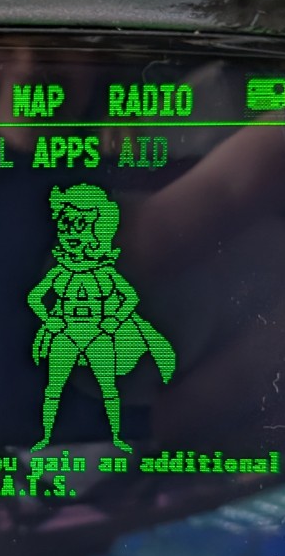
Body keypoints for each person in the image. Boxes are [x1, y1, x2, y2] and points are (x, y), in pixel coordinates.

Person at [29, 184, 175, 452]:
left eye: (81, 224)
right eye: (68, 224)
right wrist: (51, 321)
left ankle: (116, 436)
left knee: (108, 388)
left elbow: (129, 298)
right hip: (67, 333)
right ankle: (46, 436)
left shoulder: (105, 272)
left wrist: (113, 320)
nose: (73, 232)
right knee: (55, 388)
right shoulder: (60, 271)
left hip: (97, 334)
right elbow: (34, 298)